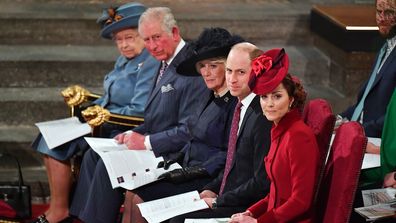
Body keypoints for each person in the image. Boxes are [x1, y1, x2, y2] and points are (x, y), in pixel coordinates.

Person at [69, 7, 207, 223]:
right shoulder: (164, 60)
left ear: (175, 33)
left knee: (109, 164)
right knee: (95, 155)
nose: (151, 46)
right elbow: (154, 118)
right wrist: (134, 132)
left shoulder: (191, 67)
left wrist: (146, 141)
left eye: (157, 37)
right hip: (157, 143)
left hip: (177, 154)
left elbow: (190, 130)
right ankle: (78, 217)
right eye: (147, 40)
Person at [30, 3, 158, 223]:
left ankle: (60, 212)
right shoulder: (124, 61)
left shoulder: (150, 62)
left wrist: (101, 113)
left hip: (122, 127)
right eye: (119, 40)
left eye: (130, 37)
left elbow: (139, 109)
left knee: (57, 143)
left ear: (143, 35)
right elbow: (109, 97)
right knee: (48, 136)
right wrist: (89, 102)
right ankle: (58, 208)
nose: (124, 45)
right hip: (103, 120)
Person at [122, 27, 243, 223]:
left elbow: (228, 154)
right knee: (131, 192)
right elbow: (193, 135)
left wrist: (191, 172)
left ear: (227, 67)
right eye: (202, 66)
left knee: (138, 200)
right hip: (185, 168)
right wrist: (172, 163)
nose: (206, 72)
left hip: (205, 178)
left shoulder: (234, 104)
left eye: (213, 66)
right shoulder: (208, 96)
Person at [169, 42, 272, 223]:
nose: (232, 79)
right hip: (226, 195)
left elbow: (261, 182)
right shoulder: (241, 106)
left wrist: (218, 201)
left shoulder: (262, 115)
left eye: (241, 72)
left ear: (257, 72)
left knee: (176, 220)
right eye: (229, 71)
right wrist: (211, 188)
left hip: (244, 207)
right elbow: (233, 162)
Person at [229, 48, 320, 223]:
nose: (269, 104)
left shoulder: (299, 136)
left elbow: (301, 201)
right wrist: (251, 212)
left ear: (291, 99)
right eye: (264, 97)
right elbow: (276, 191)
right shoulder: (278, 130)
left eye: (277, 96)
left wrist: (259, 222)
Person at [338, 0, 396, 153]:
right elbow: (365, 101)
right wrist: (339, 119)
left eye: (389, 12)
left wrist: (359, 130)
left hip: (379, 144)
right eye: (379, 11)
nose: (382, 18)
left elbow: (391, 118)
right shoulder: (385, 48)